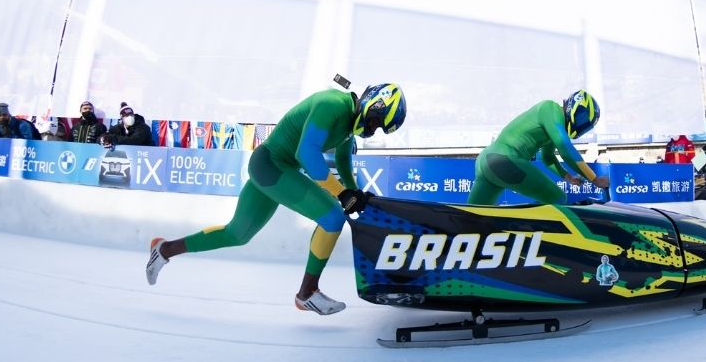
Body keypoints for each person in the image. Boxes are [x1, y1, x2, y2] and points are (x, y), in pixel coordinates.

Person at [145, 83, 407, 315]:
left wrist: (355, 193)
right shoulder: (333, 104)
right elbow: (307, 153)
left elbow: (342, 161)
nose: (372, 129)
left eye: (377, 128)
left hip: (270, 166)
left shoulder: (348, 125)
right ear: (375, 102)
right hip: (272, 165)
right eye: (375, 121)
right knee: (331, 217)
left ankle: (164, 249)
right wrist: (341, 193)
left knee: (236, 234)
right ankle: (307, 294)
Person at [466, 90, 610, 205]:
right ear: (574, 107)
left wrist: (567, 176)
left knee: (472, 220)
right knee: (557, 197)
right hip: (502, 160)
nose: (581, 126)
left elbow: (547, 157)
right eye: (582, 119)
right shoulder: (551, 109)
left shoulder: (553, 127)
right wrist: (594, 178)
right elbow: (566, 148)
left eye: (585, 125)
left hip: (487, 162)